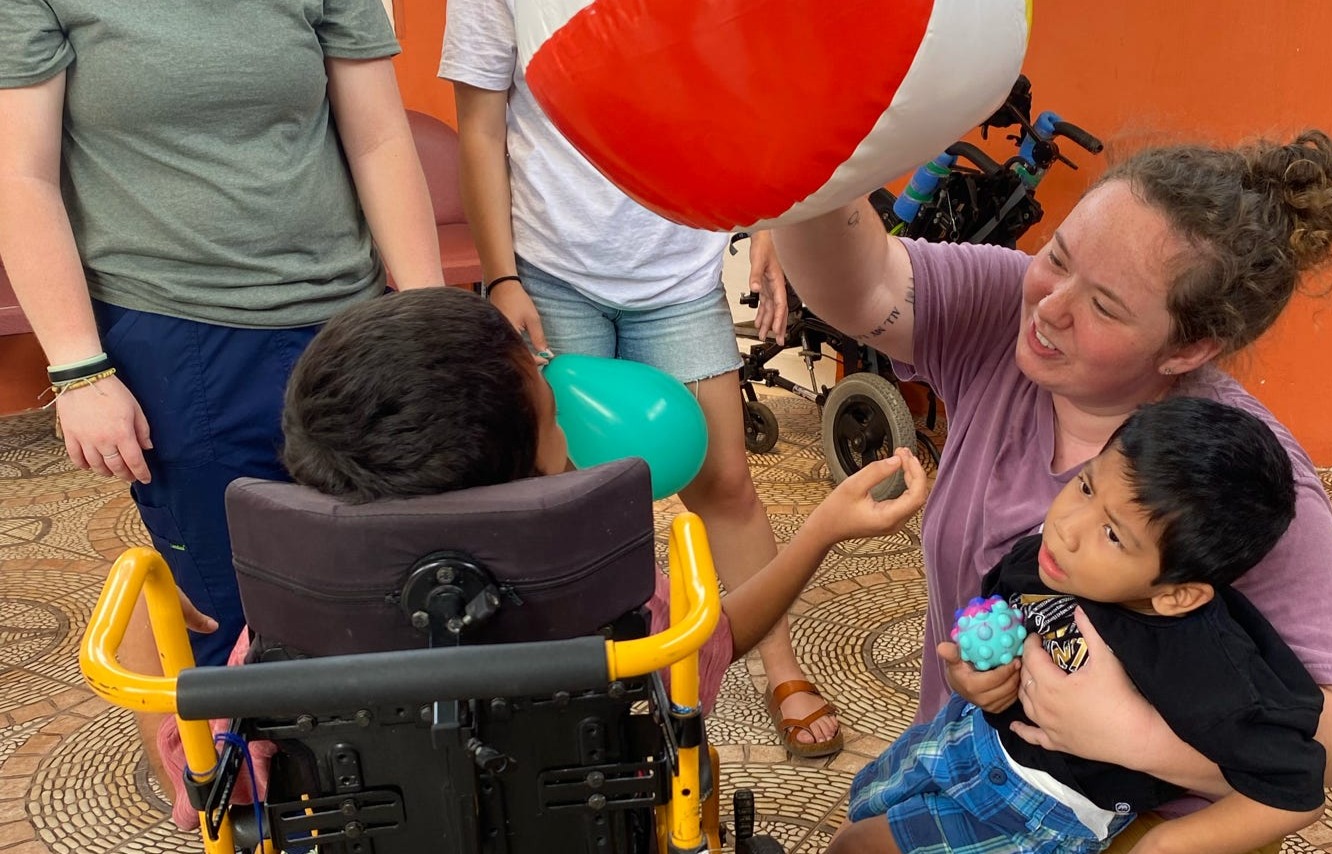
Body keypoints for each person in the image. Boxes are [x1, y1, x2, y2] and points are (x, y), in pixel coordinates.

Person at [772, 130, 1332, 851]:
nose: (1050, 307)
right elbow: (861, 285)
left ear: (1187, 349)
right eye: (1057, 257)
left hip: (1105, 816)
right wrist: (804, 148)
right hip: (971, 747)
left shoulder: (1234, 480)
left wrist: (1139, 739)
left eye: (1106, 308)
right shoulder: (1006, 312)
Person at [156, 287, 928, 830]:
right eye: (554, 417)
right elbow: (715, 637)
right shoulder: (605, 590)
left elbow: (211, 791)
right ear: (520, 466)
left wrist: (155, 645)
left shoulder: (292, 621)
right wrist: (822, 528)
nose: (567, 432)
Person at [0, 0, 443, 794]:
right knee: (225, 604)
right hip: (176, 331)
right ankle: (242, 803)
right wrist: (78, 368)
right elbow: (20, 175)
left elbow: (379, 137)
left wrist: (434, 321)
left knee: (395, 576)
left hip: (348, 320)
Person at [438, 0, 840, 756]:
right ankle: (585, 683)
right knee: (567, 499)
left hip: (680, 271)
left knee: (725, 480)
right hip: (552, 272)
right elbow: (481, 127)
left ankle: (780, 666)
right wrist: (501, 277)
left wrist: (771, 224)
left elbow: (749, 96)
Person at [832, 397, 1324, 854]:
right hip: (961, 734)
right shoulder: (1048, 557)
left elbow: (1296, 791)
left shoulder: (1200, 661)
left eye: (1112, 534)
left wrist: (1164, 845)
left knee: (858, 848)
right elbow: (1001, 608)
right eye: (1086, 486)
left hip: (1036, 811)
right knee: (862, 809)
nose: (1067, 527)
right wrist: (973, 677)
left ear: (1177, 595)